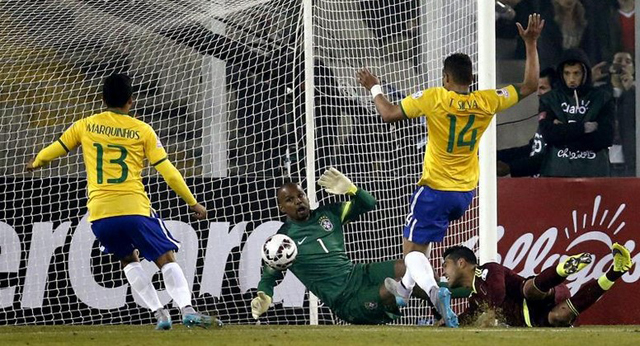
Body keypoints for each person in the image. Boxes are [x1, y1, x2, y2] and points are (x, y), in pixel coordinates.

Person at [355, 14, 544, 327]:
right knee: (419, 252)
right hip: (464, 194)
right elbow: (530, 85)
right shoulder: (487, 100)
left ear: (445, 77)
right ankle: (403, 290)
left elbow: (388, 114)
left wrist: (374, 87)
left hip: (434, 190)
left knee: (412, 253)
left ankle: (433, 292)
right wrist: (531, 43)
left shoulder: (435, 98)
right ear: (470, 79)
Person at [25, 73, 214, 330]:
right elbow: (168, 171)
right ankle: (186, 309)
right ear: (131, 101)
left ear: (103, 99)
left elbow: (53, 150)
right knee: (166, 258)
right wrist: (193, 202)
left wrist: (35, 163)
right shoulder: (142, 130)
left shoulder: (86, 125)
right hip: (134, 208)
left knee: (128, 260)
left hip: (101, 216)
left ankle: (159, 313)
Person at [251, 168, 454, 325]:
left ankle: (444, 315)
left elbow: (369, 203)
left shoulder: (328, 214)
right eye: (290, 200)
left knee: (414, 265)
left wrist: (352, 189)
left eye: (300, 196)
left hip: (358, 273)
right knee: (396, 286)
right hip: (346, 300)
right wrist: (264, 295)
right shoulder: (283, 240)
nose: (298, 201)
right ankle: (424, 293)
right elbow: (270, 276)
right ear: (281, 207)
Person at [442, 244, 633, 327]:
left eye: (445, 265)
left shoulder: (488, 270)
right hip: (533, 319)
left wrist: (489, 312)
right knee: (560, 317)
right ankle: (617, 270)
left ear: (461, 263)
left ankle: (562, 269)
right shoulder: (475, 298)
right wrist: (448, 323)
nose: (443, 272)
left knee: (528, 290)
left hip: (545, 291)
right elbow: (467, 317)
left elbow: (498, 291)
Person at [538, 49, 615, 177]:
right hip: (558, 172)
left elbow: (606, 137)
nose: (571, 79)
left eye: (576, 73)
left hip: (595, 172)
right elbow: (548, 134)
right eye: (567, 73)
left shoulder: (602, 97)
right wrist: (584, 128)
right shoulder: (549, 99)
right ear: (561, 74)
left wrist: (563, 130)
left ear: (585, 73)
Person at [497, 67, 557, 177]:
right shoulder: (545, 116)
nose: (538, 93)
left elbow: (550, 159)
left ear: (555, 90)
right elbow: (531, 149)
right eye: (537, 89)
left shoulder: (560, 120)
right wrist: (494, 156)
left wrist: (511, 168)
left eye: (543, 88)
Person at [592, 51, 636, 176]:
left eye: (628, 61)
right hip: (602, 162)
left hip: (631, 163)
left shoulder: (635, 95)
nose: (622, 65)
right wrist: (588, 82)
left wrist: (630, 91)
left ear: (633, 69)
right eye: (618, 61)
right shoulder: (598, 92)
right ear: (611, 67)